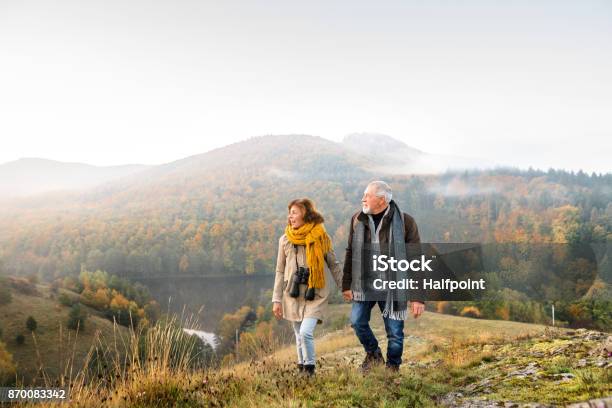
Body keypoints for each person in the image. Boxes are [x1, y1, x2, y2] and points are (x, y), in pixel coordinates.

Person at [342, 181, 425, 372]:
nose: (363, 198)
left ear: (381, 200)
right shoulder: (357, 219)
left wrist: (417, 297)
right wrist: (346, 284)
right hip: (365, 284)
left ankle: (392, 368)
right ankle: (373, 354)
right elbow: (350, 252)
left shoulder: (406, 222)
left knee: (395, 333)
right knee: (357, 321)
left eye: (367, 195)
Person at [272, 198, 343, 376]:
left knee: (305, 333)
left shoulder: (321, 237)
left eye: (294, 212)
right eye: (289, 213)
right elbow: (280, 271)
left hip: (315, 293)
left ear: (306, 214)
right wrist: (276, 299)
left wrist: (345, 287)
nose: (290, 216)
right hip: (292, 293)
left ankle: (310, 370)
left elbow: (334, 264)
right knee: (298, 334)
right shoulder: (285, 240)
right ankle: (302, 368)